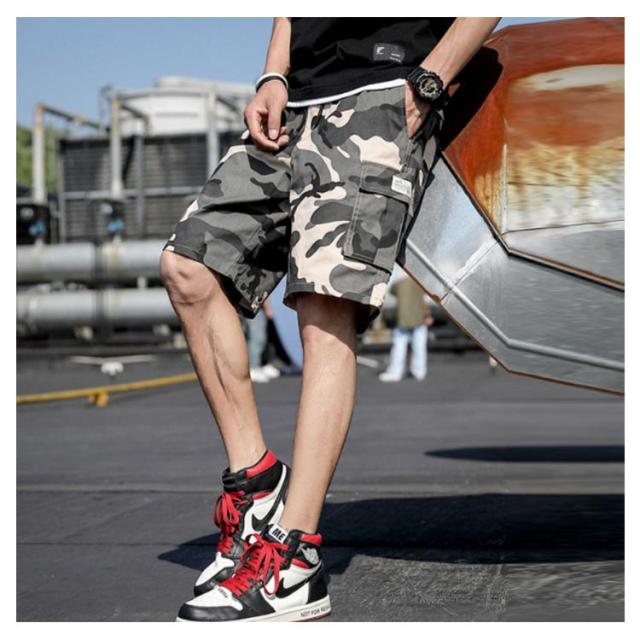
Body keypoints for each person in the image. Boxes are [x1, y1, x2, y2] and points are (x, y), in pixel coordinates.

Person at [160, 17, 500, 622]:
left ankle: (295, 557)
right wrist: (273, 73)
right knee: (187, 268)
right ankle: (256, 482)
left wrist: (426, 84)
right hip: (294, 101)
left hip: (382, 93)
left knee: (324, 310)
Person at [379, 270, 434, 382]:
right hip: (419, 317)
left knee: (399, 346)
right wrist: (428, 315)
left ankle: (396, 372)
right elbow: (426, 300)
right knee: (419, 347)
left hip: (403, 318)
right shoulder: (420, 282)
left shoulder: (399, 282)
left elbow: (392, 291)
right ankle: (419, 371)